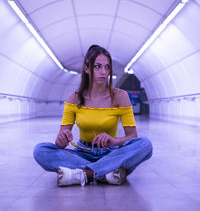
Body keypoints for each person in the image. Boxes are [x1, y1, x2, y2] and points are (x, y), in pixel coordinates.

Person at [33, 44, 153, 187]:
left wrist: (114, 141)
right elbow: (61, 143)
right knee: (40, 150)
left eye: (107, 67)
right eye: (97, 66)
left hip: (111, 152)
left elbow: (132, 136)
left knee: (145, 145)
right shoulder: (74, 99)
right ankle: (108, 172)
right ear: (86, 68)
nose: (103, 72)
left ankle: (85, 174)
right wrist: (61, 139)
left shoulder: (121, 96)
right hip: (82, 153)